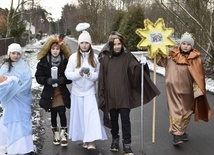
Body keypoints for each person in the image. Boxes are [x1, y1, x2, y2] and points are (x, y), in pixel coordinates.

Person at [98, 31, 160, 154]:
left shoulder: (127, 57)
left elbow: (136, 70)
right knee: (114, 120)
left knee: (125, 120)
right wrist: (102, 94)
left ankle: (127, 144)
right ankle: (115, 139)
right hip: (111, 96)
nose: (117, 46)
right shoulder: (105, 59)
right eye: (114, 44)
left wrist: (142, 65)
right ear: (110, 45)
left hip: (124, 95)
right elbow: (102, 79)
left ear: (122, 44)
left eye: (119, 44)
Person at [157, 32, 212, 145]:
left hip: (188, 90)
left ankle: (181, 131)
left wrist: (198, 89)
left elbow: (199, 75)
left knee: (187, 111)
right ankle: (176, 135)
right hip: (173, 89)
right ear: (180, 44)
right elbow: (160, 61)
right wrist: (156, 52)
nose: (186, 46)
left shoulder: (196, 59)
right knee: (176, 110)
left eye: (188, 44)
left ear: (192, 46)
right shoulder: (172, 55)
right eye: (184, 43)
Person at [65, 23, 107, 150]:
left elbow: (98, 75)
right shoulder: (73, 58)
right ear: (79, 44)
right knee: (81, 117)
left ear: (90, 44)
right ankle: (84, 138)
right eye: (82, 43)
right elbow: (68, 74)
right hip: (77, 92)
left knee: (91, 116)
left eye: (86, 43)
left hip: (89, 92)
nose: (84, 45)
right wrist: (79, 73)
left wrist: (89, 75)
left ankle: (91, 140)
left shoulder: (94, 58)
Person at [35, 35, 72, 147]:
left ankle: (64, 134)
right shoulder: (43, 62)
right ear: (49, 49)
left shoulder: (66, 62)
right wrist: (47, 80)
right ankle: (55, 134)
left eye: (57, 49)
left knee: (62, 112)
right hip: (49, 92)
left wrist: (63, 80)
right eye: (53, 49)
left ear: (61, 50)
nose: (55, 51)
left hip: (61, 92)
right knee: (54, 113)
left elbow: (70, 77)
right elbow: (38, 76)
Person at [0, 43, 34, 154]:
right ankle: (14, 149)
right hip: (11, 101)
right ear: (9, 53)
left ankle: (26, 148)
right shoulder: (4, 67)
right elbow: (2, 84)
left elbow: (28, 81)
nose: (16, 56)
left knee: (23, 122)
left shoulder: (24, 66)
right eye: (13, 53)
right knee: (13, 122)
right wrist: (11, 82)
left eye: (18, 53)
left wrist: (17, 89)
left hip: (22, 100)